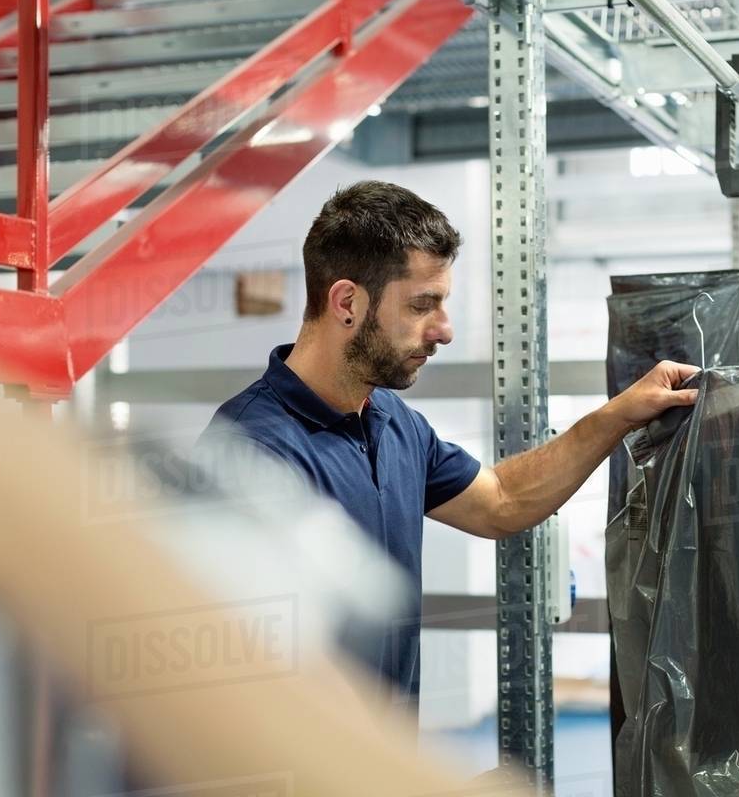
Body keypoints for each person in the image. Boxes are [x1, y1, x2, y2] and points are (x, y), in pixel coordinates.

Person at [199, 180, 699, 705]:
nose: (444, 330)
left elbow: (501, 501)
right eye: (422, 305)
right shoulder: (252, 448)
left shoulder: (392, 420)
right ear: (347, 302)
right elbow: (255, 680)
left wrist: (620, 414)